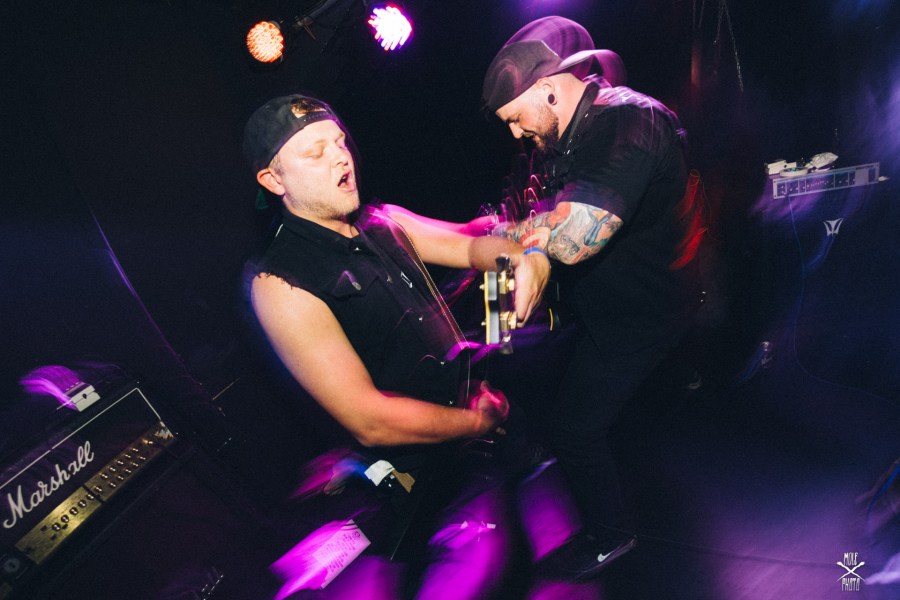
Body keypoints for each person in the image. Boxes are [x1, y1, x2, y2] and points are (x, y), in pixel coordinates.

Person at [242, 94, 551, 597]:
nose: (340, 157)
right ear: (274, 181)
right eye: (315, 152)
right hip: (420, 479)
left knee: (528, 559)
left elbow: (470, 245)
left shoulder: (382, 220)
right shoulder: (280, 282)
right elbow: (370, 418)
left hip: (478, 436)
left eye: (339, 142)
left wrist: (521, 255)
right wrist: (474, 423)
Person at [480, 16, 704, 580]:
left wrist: (528, 245)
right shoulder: (569, 135)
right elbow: (552, 215)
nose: (516, 134)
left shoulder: (627, 120)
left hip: (643, 315)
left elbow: (578, 235)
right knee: (539, 377)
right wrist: (519, 235)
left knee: (575, 428)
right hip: (613, 309)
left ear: (548, 89)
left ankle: (611, 537)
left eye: (515, 119)